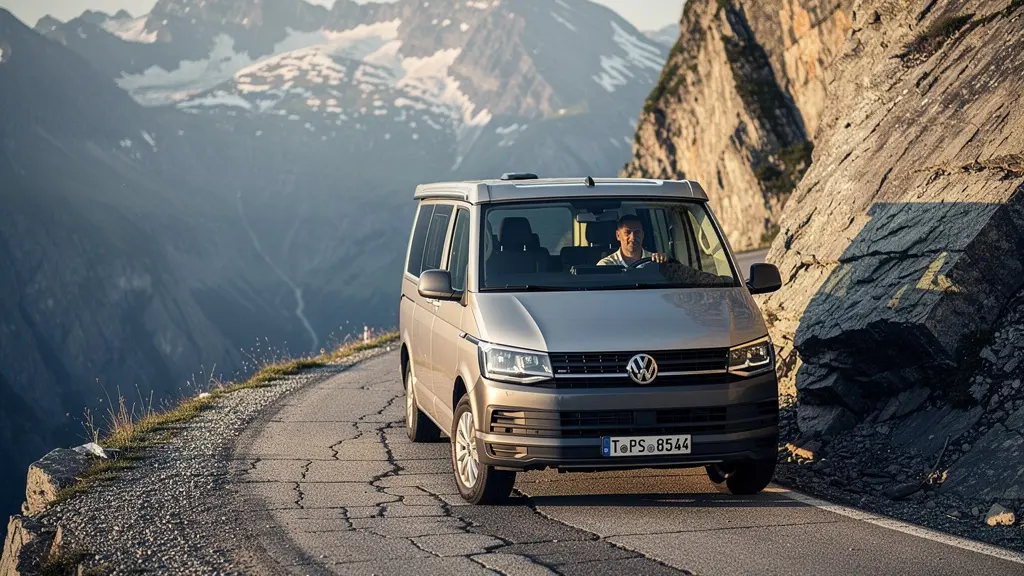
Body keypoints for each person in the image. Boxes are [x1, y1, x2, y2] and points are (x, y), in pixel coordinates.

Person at [597, 215, 669, 266]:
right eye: (627, 233)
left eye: (637, 232)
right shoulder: (606, 265)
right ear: (618, 235)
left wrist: (664, 263)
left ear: (642, 235)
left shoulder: (656, 262)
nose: (633, 237)